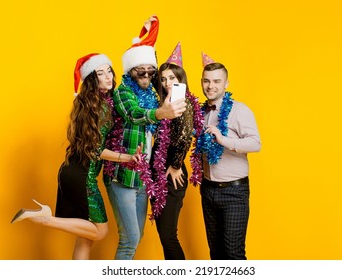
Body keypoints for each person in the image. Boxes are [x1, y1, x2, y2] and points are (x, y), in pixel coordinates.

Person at [11, 53, 142, 260]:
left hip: (70, 171)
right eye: (101, 73)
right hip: (83, 177)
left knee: (85, 238)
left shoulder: (87, 103)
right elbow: (96, 150)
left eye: (109, 71)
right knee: (100, 231)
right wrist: (126, 158)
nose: (108, 77)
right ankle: (46, 218)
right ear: (92, 79)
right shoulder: (101, 107)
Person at [103, 16, 186, 260]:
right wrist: (161, 113)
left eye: (152, 71)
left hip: (142, 178)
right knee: (129, 240)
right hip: (122, 176)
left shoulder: (151, 93)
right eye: (142, 70)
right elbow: (135, 114)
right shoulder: (123, 92)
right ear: (130, 70)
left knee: (136, 238)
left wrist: (175, 161)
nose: (148, 75)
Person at [194, 53, 261, 260]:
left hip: (234, 192)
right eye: (206, 81)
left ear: (226, 83)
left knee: (233, 253)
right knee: (216, 254)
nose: (210, 86)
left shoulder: (239, 110)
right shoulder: (200, 113)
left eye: (216, 81)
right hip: (208, 190)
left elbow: (255, 143)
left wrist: (223, 140)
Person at [149, 42, 203, 259]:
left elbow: (183, 137)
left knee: (168, 234)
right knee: (164, 233)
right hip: (157, 171)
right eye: (164, 79)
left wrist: (175, 165)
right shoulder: (166, 101)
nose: (167, 82)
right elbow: (151, 73)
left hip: (172, 174)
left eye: (172, 78)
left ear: (181, 79)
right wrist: (148, 40)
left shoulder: (184, 103)